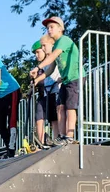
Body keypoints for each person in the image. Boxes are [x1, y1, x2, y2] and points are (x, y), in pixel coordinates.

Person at [31, 16, 82, 144]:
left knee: (70, 107)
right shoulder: (55, 46)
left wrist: (38, 67)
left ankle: (69, 136)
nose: (49, 30)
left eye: (52, 27)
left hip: (75, 77)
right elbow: (51, 69)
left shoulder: (64, 40)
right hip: (66, 80)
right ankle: (62, 135)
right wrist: (38, 79)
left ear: (60, 28)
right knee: (60, 107)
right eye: (48, 28)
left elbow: (53, 56)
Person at [32, 36, 61, 147]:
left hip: (55, 89)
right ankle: (42, 142)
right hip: (47, 91)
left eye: (44, 46)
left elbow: (56, 71)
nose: (43, 49)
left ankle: (57, 138)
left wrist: (61, 78)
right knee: (47, 116)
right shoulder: (45, 63)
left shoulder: (54, 57)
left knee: (55, 116)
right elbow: (46, 73)